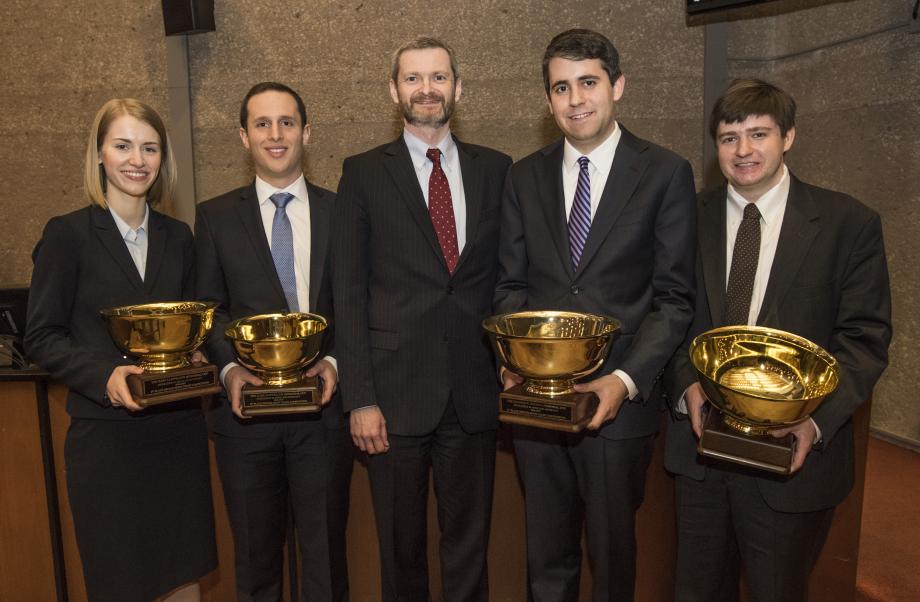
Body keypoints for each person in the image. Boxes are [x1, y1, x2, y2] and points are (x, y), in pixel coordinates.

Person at [663, 77, 892, 601]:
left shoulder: (847, 224)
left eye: (759, 134)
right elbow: (670, 313)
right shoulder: (684, 218)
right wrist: (685, 386)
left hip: (792, 462)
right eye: (728, 138)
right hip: (701, 455)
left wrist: (816, 420)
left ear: (788, 136)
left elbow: (865, 339)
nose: (743, 151)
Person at [494, 28, 697, 601]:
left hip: (618, 405)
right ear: (548, 99)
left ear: (618, 86)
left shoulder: (664, 173)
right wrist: (515, 364)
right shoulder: (523, 176)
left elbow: (675, 298)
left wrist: (624, 380)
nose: (576, 99)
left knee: (612, 559)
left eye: (588, 82)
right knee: (546, 557)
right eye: (561, 87)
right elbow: (509, 285)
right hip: (539, 405)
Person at [332, 36, 512, 601]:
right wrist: (360, 397)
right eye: (413, 78)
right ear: (394, 91)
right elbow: (348, 291)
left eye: (438, 77)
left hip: (474, 394)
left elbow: (508, 282)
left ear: (459, 87)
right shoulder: (361, 173)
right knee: (400, 551)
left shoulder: (498, 170)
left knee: (469, 548)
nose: (427, 89)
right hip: (392, 396)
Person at [25, 98, 217, 601]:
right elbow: (40, 336)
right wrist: (105, 376)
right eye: (123, 145)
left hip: (177, 437)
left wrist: (194, 357)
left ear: (162, 159)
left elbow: (188, 331)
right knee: (121, 585)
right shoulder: (67, 235)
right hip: (107, 445)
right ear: (99, 155)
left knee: (184, 581)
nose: (137, 159)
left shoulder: (179, 237)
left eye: (149, 148)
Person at [195, 82, 352, 601]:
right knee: (256, 563)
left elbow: (357, 304)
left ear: (306, 132)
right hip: (245, 422)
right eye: (262, 124)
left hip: (323, 416)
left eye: (286, 122)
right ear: (243, 136)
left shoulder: (343, 212)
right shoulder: (215, 216)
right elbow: (210, 309)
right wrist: (228, 371)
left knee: (326, 560)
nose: (275, 134)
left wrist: (332, 361)